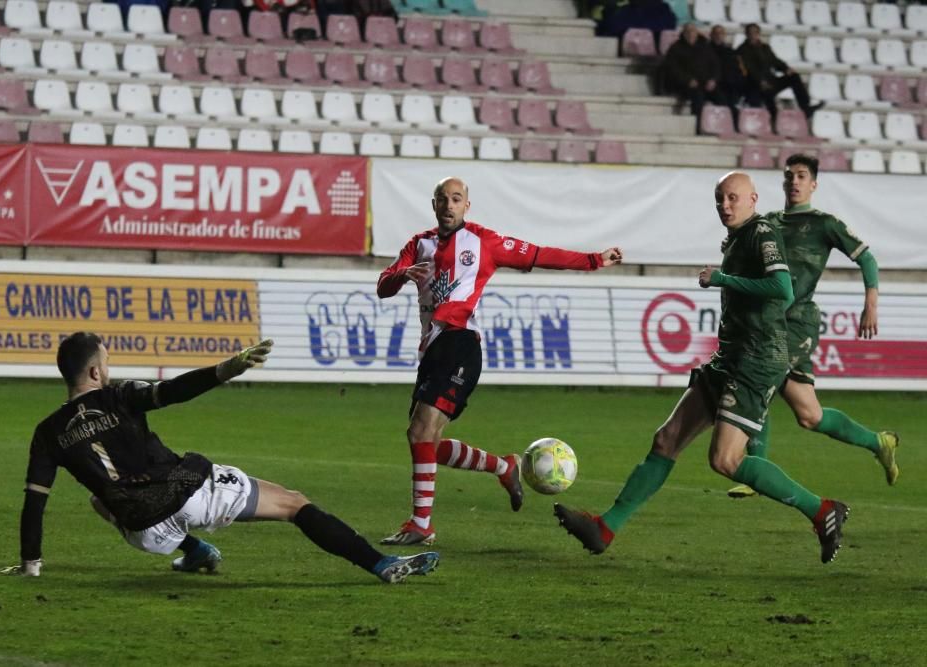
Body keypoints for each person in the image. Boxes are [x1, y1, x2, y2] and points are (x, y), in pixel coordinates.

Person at [554, 171, 850, 564]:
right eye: (719, 199)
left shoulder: (761, 232)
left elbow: (783, 288)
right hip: (729, 357)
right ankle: (604, 529)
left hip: (757, 361)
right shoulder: (738, 236)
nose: (725, 206)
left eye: (732, 198)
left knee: (726, 460)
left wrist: (723, 278)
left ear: (752, 199)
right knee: (666, 439)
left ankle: (822, 511)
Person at [0, 332, 439, 583]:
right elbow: (171, 392)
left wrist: (30, 566)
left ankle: (195, 552)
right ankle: (380, 564)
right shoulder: (118, 395)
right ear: (96, 372)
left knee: (101, 498)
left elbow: (34, 503)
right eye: (107, 363)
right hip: (189, 494)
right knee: (293, 503)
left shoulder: (48, 432)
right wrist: (225, 369)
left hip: (142, 531)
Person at [376, 176, 624, 546]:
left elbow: (539, 254)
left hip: (460, 344)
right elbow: (383, 286)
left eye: (456, 199)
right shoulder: (418, 244)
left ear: (466, 206)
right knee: (426, 441)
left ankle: (421, 524)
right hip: (431, 349)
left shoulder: (484, 242)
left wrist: (593, 260)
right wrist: (401, 275)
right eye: (442, 199)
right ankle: (503, 466)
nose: (449, 205)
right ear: (434, 205)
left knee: (420, 433)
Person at [727, 154, 899, 498]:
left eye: (801, 176)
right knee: (809, 415)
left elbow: (866, 257)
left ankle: (753, 470)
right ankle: (878, 442)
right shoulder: (769, 222)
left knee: (760, 380)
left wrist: (871, 304)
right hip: (766, 319)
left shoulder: (825, 224)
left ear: (813, 184)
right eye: (789, 175)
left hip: (797, 322)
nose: (794, 181)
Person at [736, 23, 823, 125]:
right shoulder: (742, 50)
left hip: (771, 81)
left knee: (794, 77)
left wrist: (786, 69)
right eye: (750, 33)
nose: (753, 35)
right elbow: (749, 69)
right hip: (755, 85)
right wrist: (760, 81)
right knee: (766, 95)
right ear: (746, 34)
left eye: (755, 32)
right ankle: (774, 120)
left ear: (759, 33)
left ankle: (806, 108)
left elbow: (775, 61)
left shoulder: (765, 48)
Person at [662, 23, 726, 132]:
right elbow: (672, 69)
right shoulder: (676, 48)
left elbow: (715, 65)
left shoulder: (705, 47)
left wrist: (713, 79)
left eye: (693, 31)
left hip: (705, 82)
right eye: (688, 31)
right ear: (684, 33)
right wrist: (687, 80)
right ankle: (697, 128)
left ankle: (722, 127)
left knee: (722, 98)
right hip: (686, 84)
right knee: (698, 97)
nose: (690, 34)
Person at [708, 25, 748, 110]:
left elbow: (738, 68)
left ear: (724, 35)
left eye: (721, 33)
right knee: (725, 103)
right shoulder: (705, 50)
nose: (718, 35)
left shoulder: (730, 51)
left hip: (730, 84)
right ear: (711, 35)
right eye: (716, 33)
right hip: (714, 83)